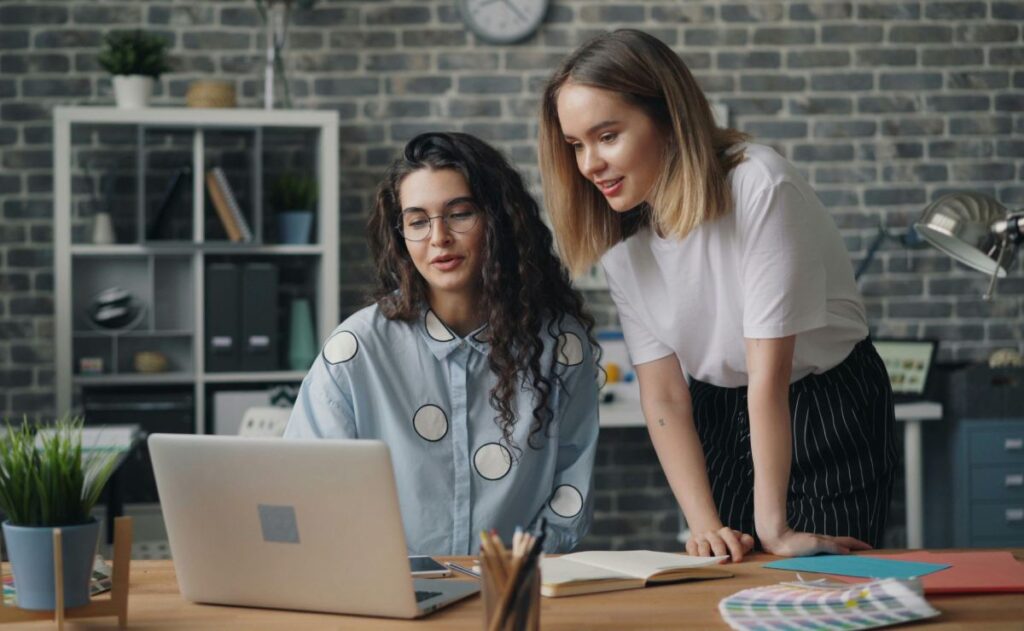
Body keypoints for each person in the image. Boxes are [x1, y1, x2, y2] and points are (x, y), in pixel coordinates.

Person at [538, 29, 897, 561]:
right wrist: (703, 523)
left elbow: (768, 374)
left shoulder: (759, 186)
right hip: (717, 411)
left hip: (822, 405)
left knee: (815, 591)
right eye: (575, 146)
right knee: (725, 578)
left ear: (668, 118)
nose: (588, 164)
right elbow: (662, 396)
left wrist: (772, 527)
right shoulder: (621, 239)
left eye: (607, 136)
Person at [285, 132, 600, 555]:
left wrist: (516, 571)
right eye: (417, 220)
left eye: (459, 214)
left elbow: (570, 486)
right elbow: (308, 489)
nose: (439, 238)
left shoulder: (560, 345)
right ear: (401, 234)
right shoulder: (356, 350)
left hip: (511, 592)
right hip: (389, 598)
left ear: (499, 219)